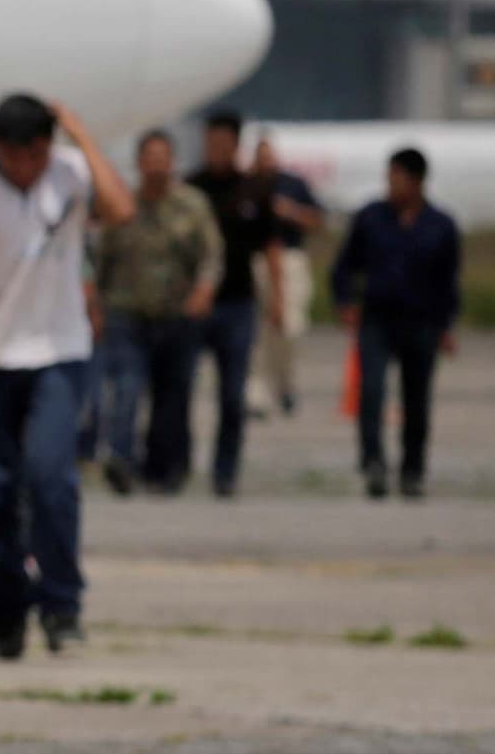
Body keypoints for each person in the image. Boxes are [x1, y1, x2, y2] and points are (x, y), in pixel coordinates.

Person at [0, 95, 134, 659]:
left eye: (36, 154)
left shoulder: (70, 171)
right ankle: (4, 615)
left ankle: (62, 605)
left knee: (50, 477)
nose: (25, 168)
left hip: (57, 352)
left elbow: (121, 209)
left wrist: (80, 133)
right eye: (14, 156)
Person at [90, 130, 221, 496]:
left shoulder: (192, 205)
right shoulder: (122, 205)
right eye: (149, 157)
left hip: (176, 314)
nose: (156, 165)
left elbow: (210, 256)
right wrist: (94, 307)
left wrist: (203, 290)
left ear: (172, 161)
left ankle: (165, 468)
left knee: (171, 396)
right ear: (138, 162)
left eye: (163, 157)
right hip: (126, 313)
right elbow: (101, 261)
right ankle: (121, 460)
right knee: (127, 390)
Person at [334, 147, 463, 500]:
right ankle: (373, 463)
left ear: (416, 181)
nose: (390, 185)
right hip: (376, 320)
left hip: (421, 323)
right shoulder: (371, 217)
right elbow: (345, 265)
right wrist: (345, 301)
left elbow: (448, 281)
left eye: (397, 178)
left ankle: (412, 471)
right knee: (371, 392)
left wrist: (447, 326)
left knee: (417, 400)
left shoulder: (441, 225)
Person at [182, 110, 272, 496]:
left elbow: (271, 247)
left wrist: (278, 298)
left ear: (236, 145)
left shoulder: (254, 190)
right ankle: (176, 465)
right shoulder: (190, 188)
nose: (216, 150)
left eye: (223, 143)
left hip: (237, 302)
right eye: (210, 142)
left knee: (233, 395)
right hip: (193, 305)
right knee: (179, 390)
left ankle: (225, 473)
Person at [252, 131, 324, 418]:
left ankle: (286, 384)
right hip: (256, 260)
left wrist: (289, 211)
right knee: (258, 331)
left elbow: (316, 219)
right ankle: (257, 391)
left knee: (290, 327)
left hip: (290, 259)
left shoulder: (292, 185)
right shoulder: (248, 186)